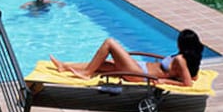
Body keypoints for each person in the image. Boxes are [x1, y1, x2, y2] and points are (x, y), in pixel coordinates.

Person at [50, 29, 203, 87]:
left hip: (140, 75)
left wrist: (165, 80)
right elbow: (194, 77)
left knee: (109, 43)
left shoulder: (181, 60)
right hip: (139, 68)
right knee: (103, 64)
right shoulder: (186, 59)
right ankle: (64, 66)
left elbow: (188, 83)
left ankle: (87, 74)